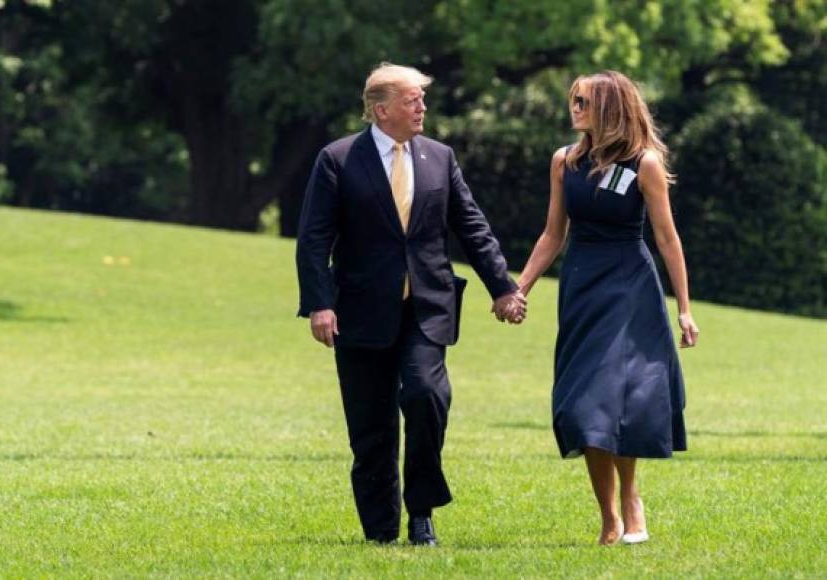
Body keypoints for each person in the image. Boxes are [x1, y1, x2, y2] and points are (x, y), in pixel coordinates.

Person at [296, 63, 526, 546]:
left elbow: (471, 226)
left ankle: (421, 512)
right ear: (381, 110)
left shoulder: (440, 158)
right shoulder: (337, 159)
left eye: (422, 98)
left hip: (427, 308)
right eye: (412, 100)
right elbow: (314, 238)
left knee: (425, 395)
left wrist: (502, 288)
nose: (422, 107)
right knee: (371, 426)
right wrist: (320, 304)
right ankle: (380, 530)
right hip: (359, 311)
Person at [514, 70, 700, 545]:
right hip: (581, 287)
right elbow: (553, 234)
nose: (573, 107)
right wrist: (522, 288)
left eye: (583, 101)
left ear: (610, 108)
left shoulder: (645, 164)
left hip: (629, 289)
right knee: (582, 403)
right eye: (573, 99)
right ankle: (608, 516)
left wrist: (684, 308)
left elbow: (666, 239)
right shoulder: (563, 162)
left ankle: (631, 499)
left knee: (620, 398)